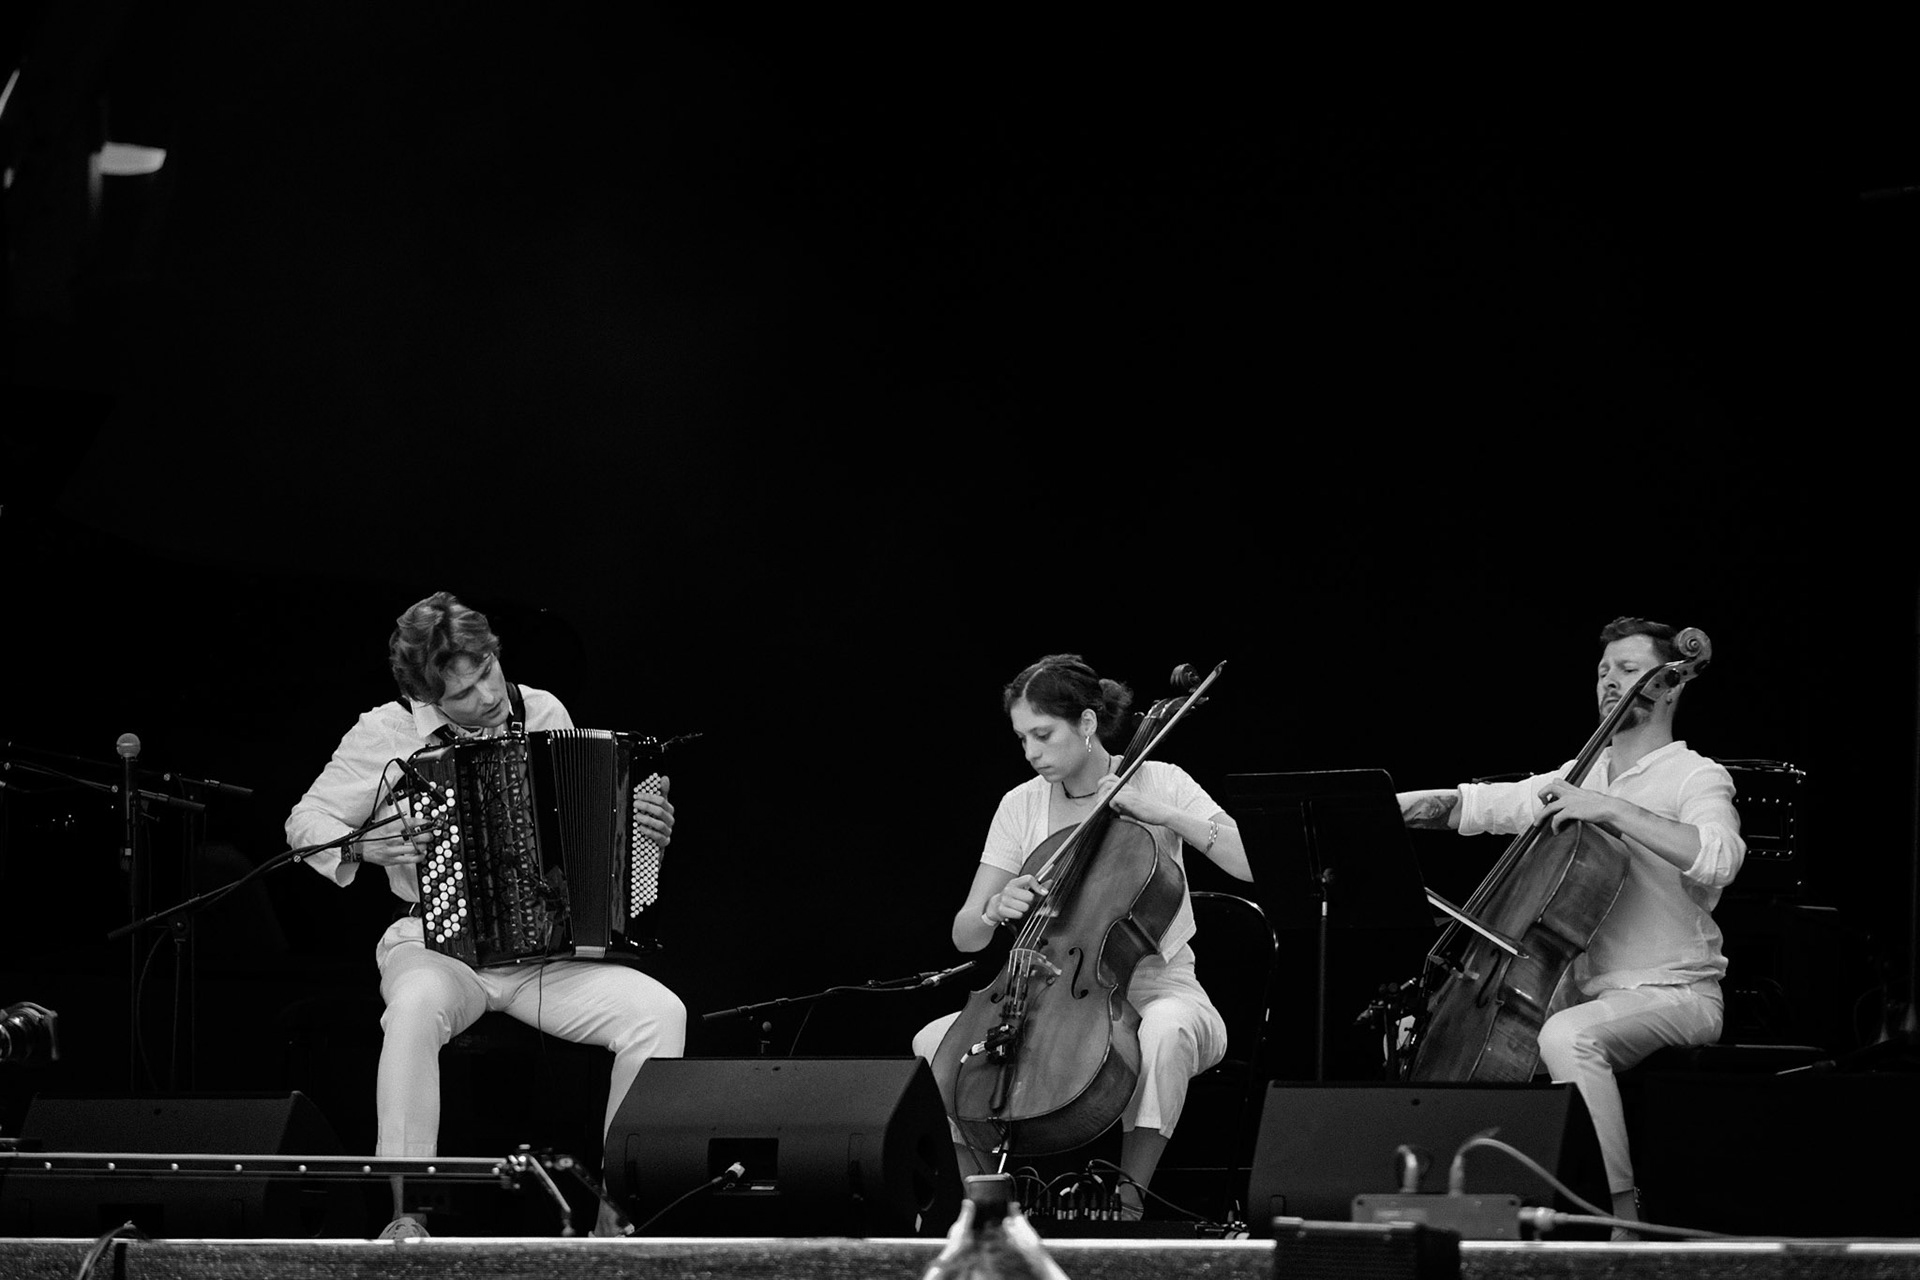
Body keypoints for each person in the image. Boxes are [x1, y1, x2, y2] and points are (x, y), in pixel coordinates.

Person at [286, 592, 686, 1238]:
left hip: (542, 956)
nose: (488, 696)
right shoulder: (385, 734)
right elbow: (304, 824)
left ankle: (619, 1216)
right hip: (437, 944)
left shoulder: (544, 710)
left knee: (661, 1013)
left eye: (488, 670)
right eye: (463, 691)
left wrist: (642, 832)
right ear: (429, 699)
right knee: (414, 1005)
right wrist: (363, 845)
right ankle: (405, 1214)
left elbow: (585, 829)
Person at [1396, 616, 1744, 1234]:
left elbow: (1719, 858)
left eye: (1630, 671)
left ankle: (1622, 1214)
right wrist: (1372, 805)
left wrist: (1611, 808)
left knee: (1565, 1036)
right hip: (1588, 992)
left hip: (1677, 993)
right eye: (1604, 671)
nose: (1611, 682)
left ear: (1669, 686)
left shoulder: (1696, 775)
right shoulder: (1579, 772)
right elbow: (1475, 806)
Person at [911, 654, 1253, 1220]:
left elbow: (1249, 862)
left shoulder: (1161, 778)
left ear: (1088, 724)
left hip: (1161, 986)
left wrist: (1159, 811)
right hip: (1050, 990)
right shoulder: (1019, 805)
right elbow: (965, 935)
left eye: (1043, 735)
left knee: (1164, 1033)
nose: (1031, 753)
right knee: (932, 1046)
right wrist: (996, 908)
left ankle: (1128, 1207)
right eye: (1022, 739)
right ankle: (983, 1206)